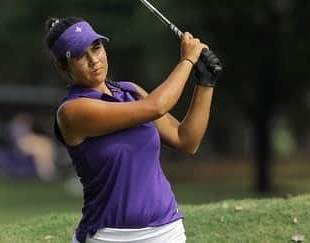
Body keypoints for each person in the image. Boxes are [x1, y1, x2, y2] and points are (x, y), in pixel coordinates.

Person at [44, 16, 221, 243]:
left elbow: (186, 140)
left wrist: (205, 83)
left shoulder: (130, 91)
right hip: (109, 237)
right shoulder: (72, 112)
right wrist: (187, 60)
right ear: (62, 66)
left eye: (96, 48)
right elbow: (156, 106)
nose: (93, 60)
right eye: (79, 55)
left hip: (167, 232)